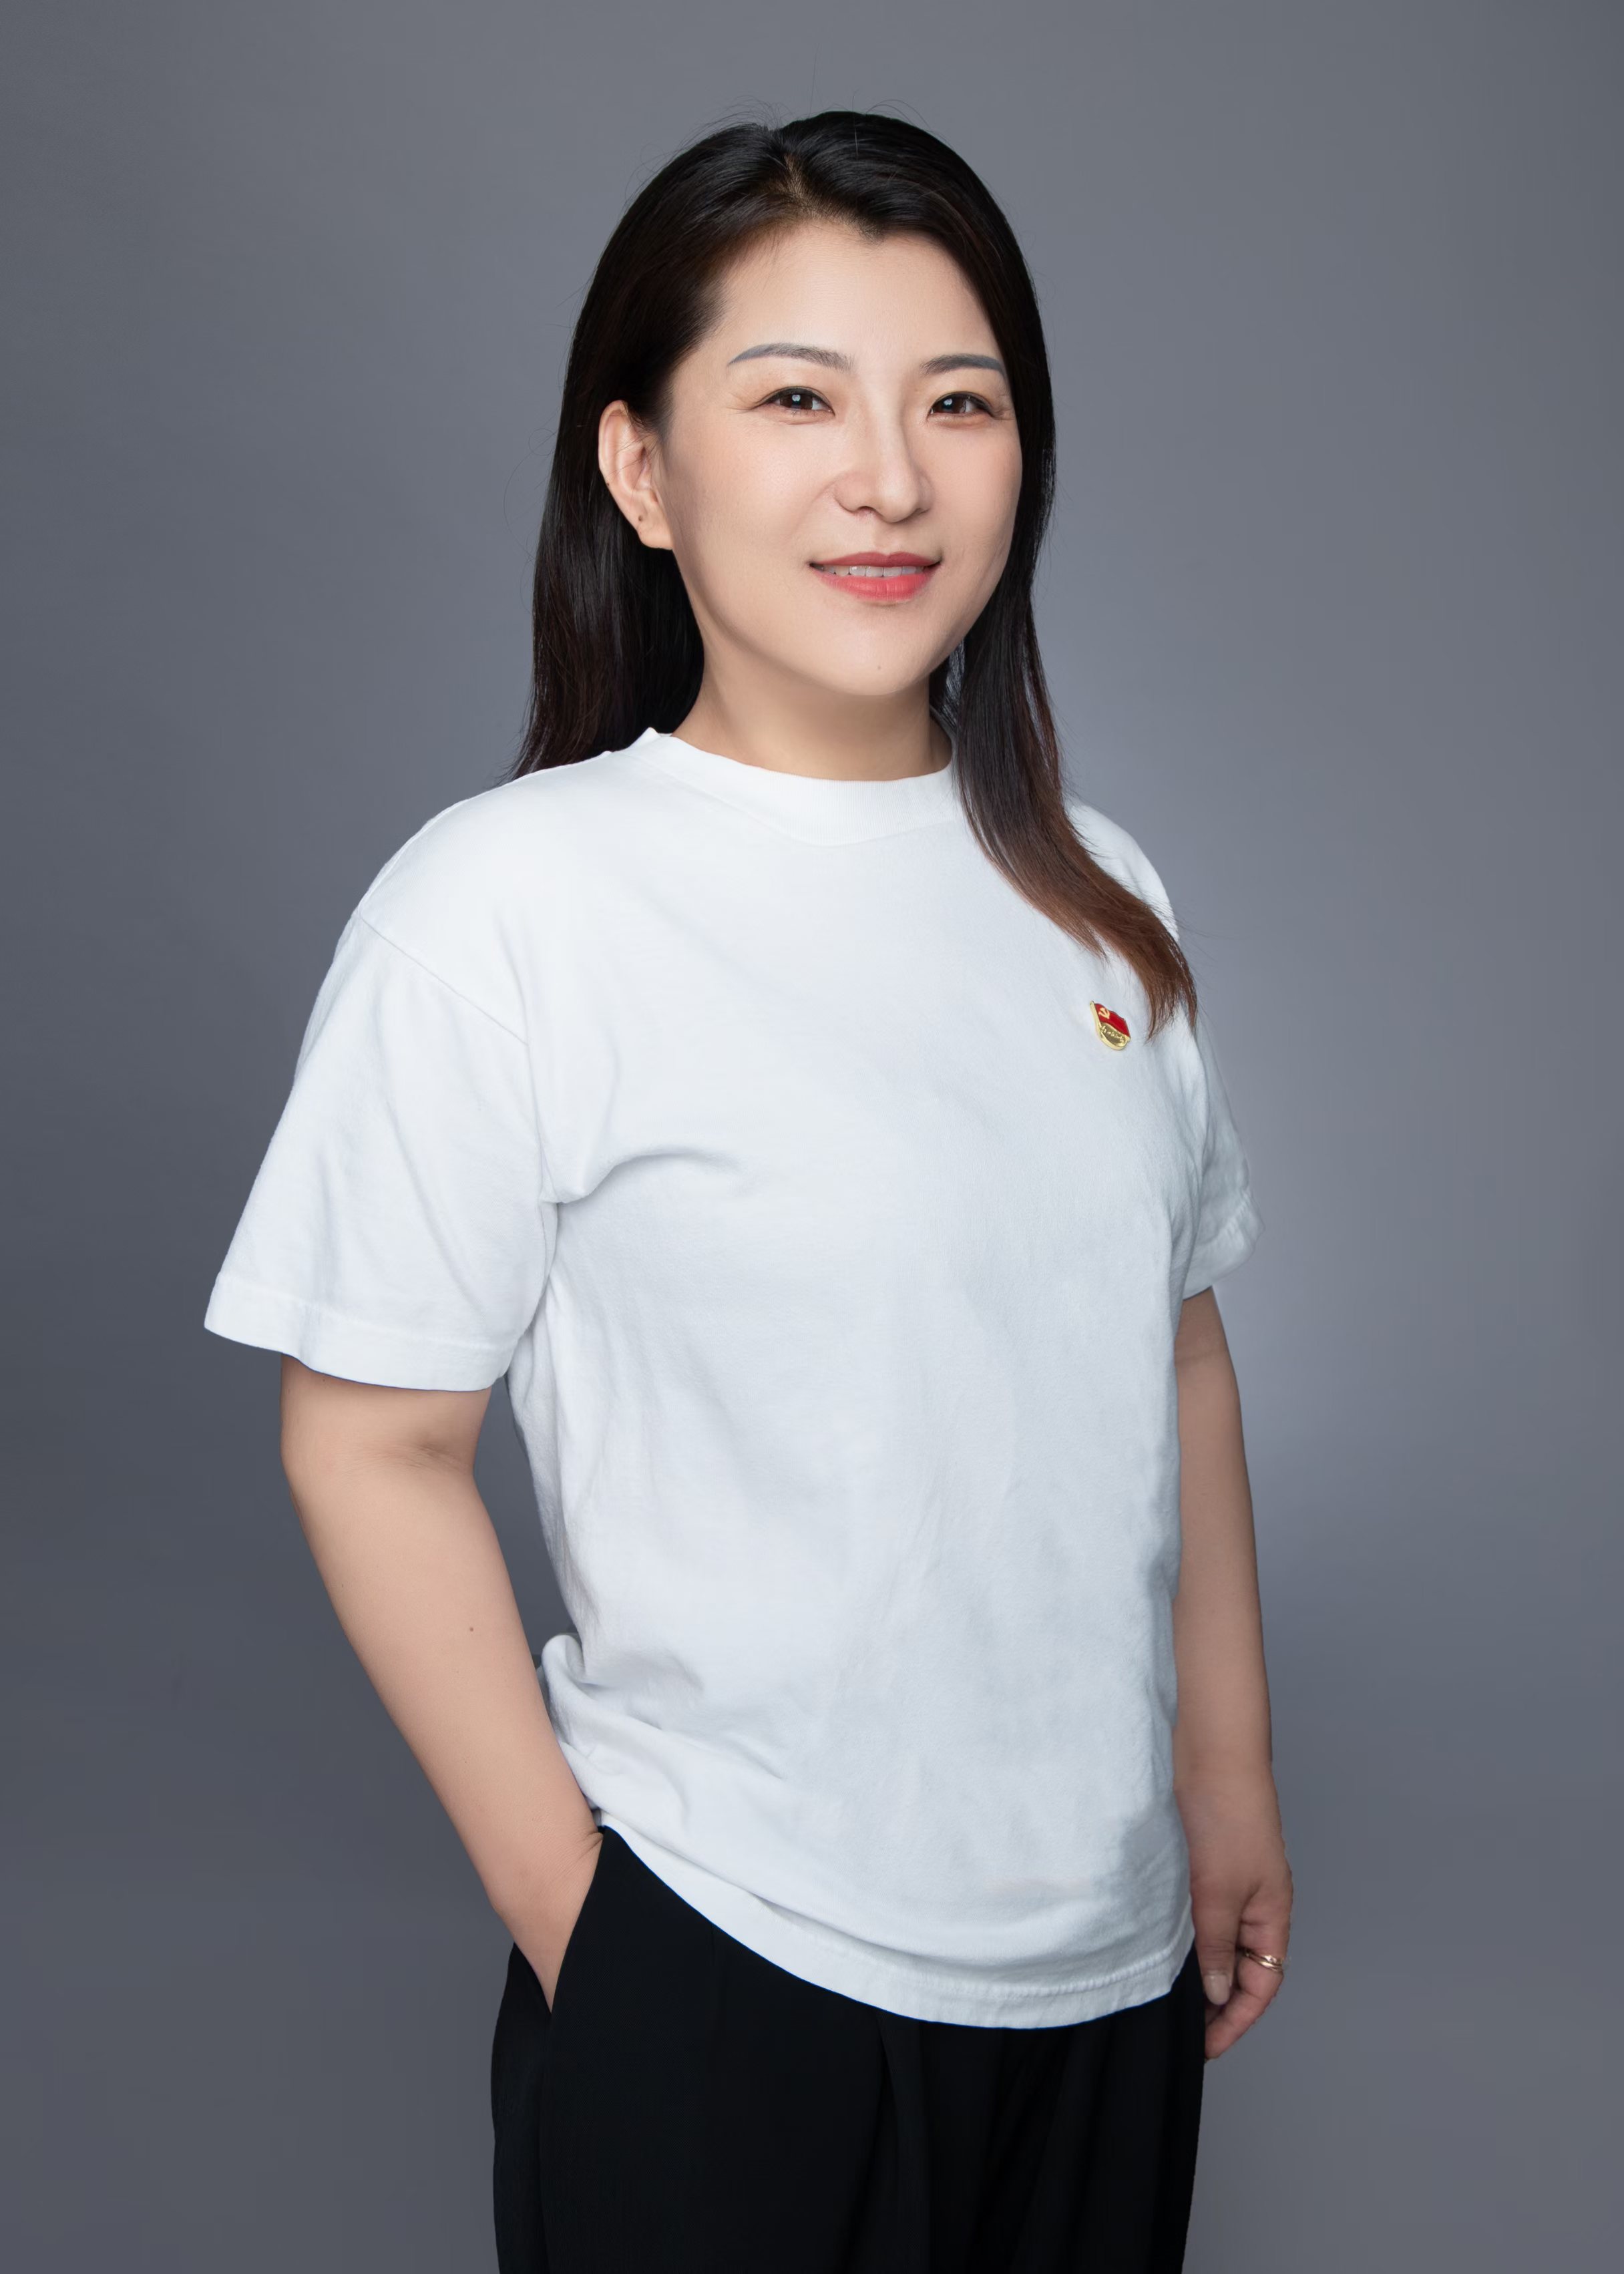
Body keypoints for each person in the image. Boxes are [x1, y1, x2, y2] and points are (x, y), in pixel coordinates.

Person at [203, 110, 1292, 2273]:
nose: (889, 478)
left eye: (957, 404)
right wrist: (591, 1934)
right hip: (726, 1966)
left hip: (1103, 1979)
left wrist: (1230, 1781)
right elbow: (370, 1440)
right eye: (796, 400)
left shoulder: (1103, 900)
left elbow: (1169, 1351)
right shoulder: (510, 905)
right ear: (640, 468)